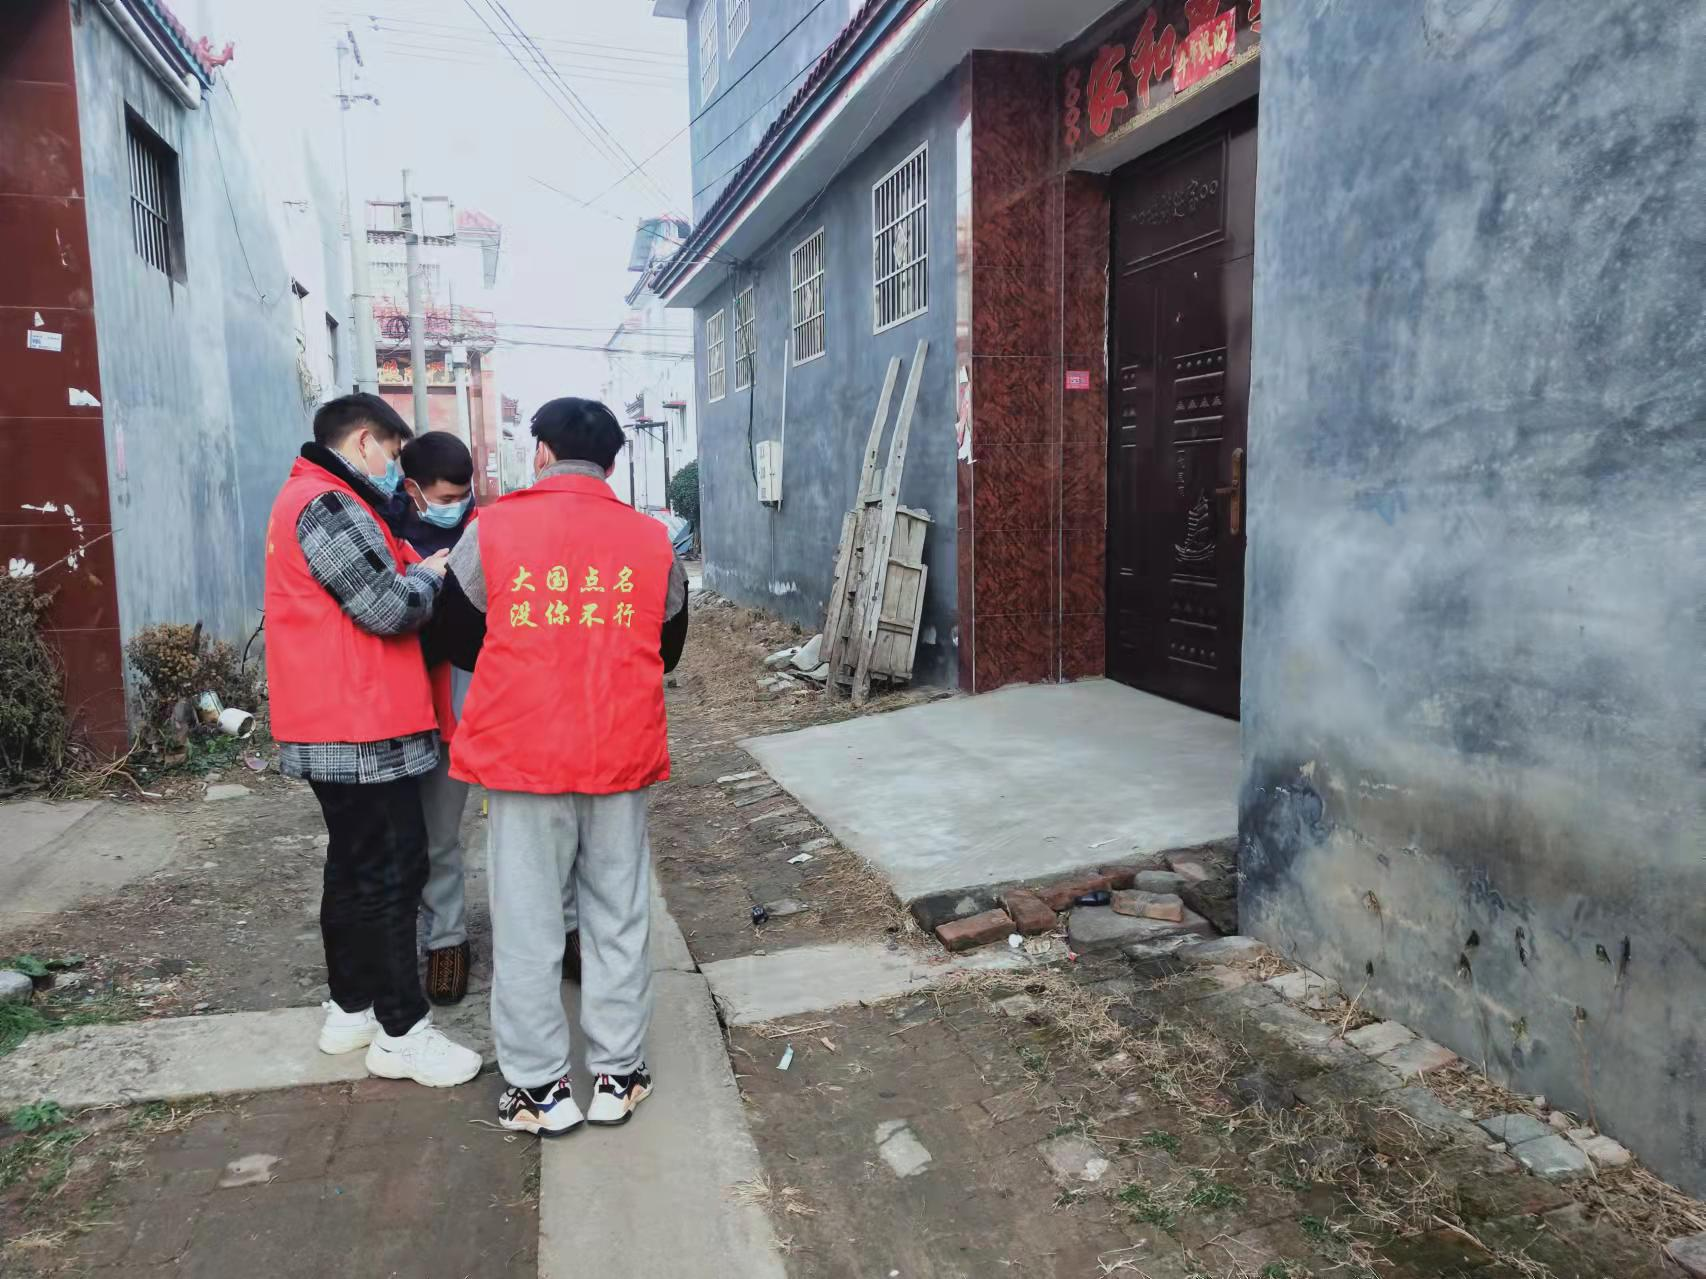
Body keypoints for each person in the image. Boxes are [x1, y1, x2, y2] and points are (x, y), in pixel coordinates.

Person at [440, 397, 687, 1136]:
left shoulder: (490, 530)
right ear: (611, 461)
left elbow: (456, 634)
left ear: (541, 451)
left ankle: (538, 1090)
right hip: (616, 751)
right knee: (618, 916)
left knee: (527, 923)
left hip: (522, 757)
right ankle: (618, 1074)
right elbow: (669, 646)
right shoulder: (653, 539)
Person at [263, 393, 481, 1089]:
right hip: (359, 725)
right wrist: (430, 576)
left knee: (354, 871)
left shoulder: (313, 498)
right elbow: (387, 606)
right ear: (364, 442)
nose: (393, 464)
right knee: (392, 873)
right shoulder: (327, 504)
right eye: (391, 450)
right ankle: (402, 1031)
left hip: (341, 719)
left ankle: (350, 1007)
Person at [402, 432, 584, 1006]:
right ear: (413, 490)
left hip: (511, 709)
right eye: (446, 497)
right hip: (433, 711)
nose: (458, 505)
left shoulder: (496, 529)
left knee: (545, 827)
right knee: (439, 834)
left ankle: (566, 927)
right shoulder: (391, 537)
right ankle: (447, 940)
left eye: (465, 494)